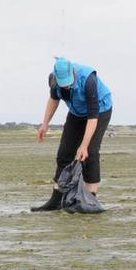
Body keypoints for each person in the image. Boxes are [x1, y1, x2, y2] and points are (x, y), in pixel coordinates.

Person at [31, 57, 113, 211]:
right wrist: (45, 124)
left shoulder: (88, 80)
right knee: (64, 153)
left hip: (99, 111)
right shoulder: (53, 80)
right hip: (76, 112)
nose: (66, 86)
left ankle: (90, 200)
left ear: (73, 72)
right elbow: (54, 99)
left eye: (69, 82)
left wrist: (84, 145)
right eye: (63, 83)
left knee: (90, 152)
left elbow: (93, 116)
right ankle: (56, 200)